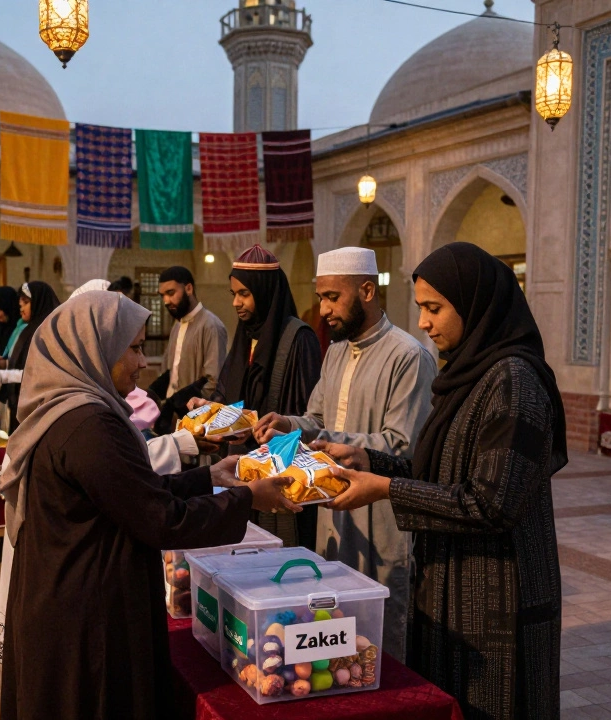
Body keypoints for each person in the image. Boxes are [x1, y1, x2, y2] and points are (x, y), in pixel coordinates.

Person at [0, 290, 298, 719]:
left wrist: (208, 477)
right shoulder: (89, 425)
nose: (143, 362)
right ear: (96, 349)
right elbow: (160, 519)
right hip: (86, 618)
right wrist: (249, 496)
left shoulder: (74, 410)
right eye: (135, 348)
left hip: (71, 596)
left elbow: (130, 492)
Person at [314, 243, 565, 718]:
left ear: (474, 305)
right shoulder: (470, 377)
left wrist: (385, 489)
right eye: (422, 309)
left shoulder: (515, 381)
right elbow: (440, 473)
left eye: (434, 309)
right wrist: (369, 459)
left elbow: (491, 504)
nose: (424, 323)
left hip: (498, 597)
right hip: (453, 585)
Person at [252, 246, 435, 661]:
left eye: (333, 297)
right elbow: (316, 417)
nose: (324, 309)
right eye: (321, 298)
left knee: (381, 641)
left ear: (367, 290)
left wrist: (322, 437)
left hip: (381, 517)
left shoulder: (409, 357)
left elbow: (404, 445)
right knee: (335, 636)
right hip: (331, 513)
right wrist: (288, 424)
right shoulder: (334, 351)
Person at [204, 244, 321, 547]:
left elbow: (306, 412)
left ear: (265, 291)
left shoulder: (299, 338)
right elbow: (227, 393)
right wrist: (209, 410)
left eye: (244, 294)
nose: (236, 303)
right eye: (234, 294)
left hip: (278, 474)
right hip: (242, 470)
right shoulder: (245, 336)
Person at [154, 266, 227, 428]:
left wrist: (184, 408)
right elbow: (170, 372)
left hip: (196, 419)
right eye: (163, 296)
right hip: (173, 418)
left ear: (188, 288)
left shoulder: (211, 326)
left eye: (171, 293)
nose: (166, 301)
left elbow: (214, 381)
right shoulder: (177, 325)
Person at [0, 282, 60, 431]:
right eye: (20, 303)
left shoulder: (46, 334)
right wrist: (1, 365)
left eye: (26, 303)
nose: (21, 307)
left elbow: (34, 375)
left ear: (39, 303)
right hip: (18, 402)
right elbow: (20, 364)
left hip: (37, 408)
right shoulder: (26, 329)